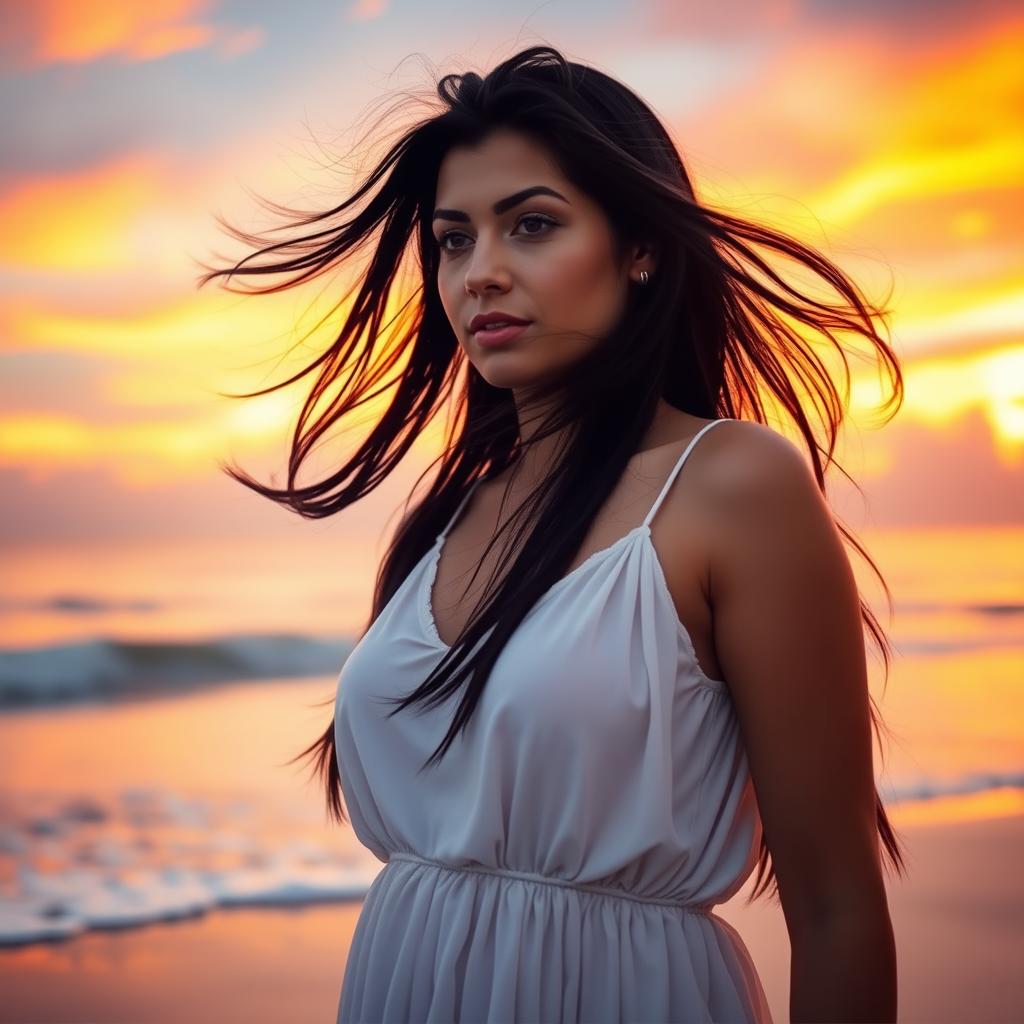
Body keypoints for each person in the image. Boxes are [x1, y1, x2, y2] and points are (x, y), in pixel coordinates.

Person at [198, 45, 906, 1023]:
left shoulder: (732, 485)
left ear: (640, 247)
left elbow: (833, 907)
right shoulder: (440, 523)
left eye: (531, 226)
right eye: (452, 240)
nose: (479, 274)